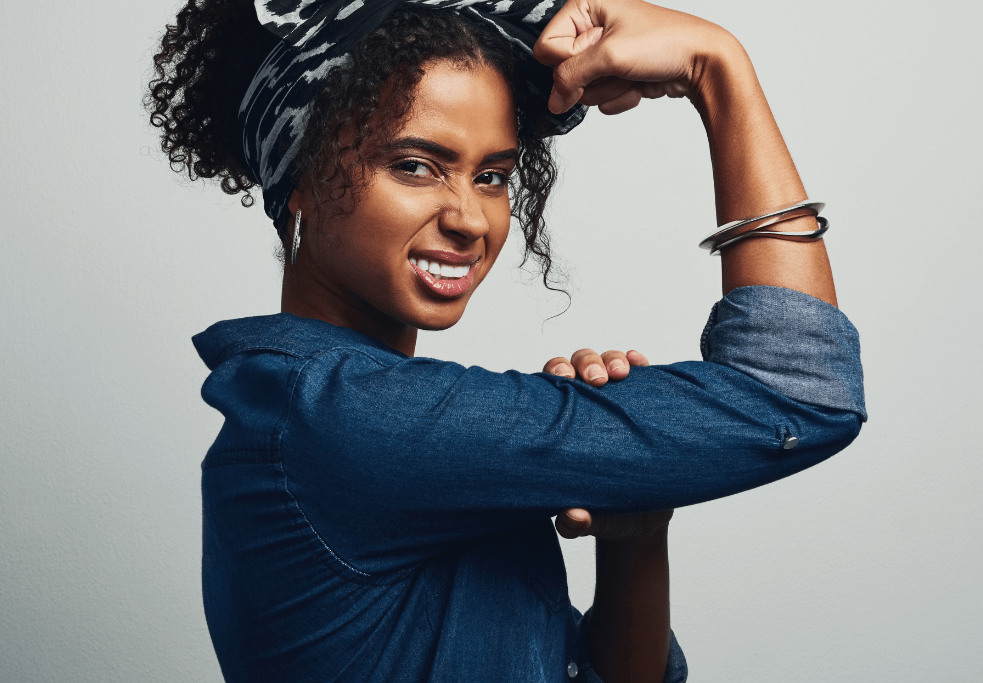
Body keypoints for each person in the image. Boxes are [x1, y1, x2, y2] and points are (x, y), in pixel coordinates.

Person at [146, 0, 866, 681]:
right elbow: (800, 392)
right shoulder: (344, 419)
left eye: (492, 175)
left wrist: (635, 536)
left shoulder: (342, 419)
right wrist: (719, 67)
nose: (470, 218)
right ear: (299, 177)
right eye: (415, 165)